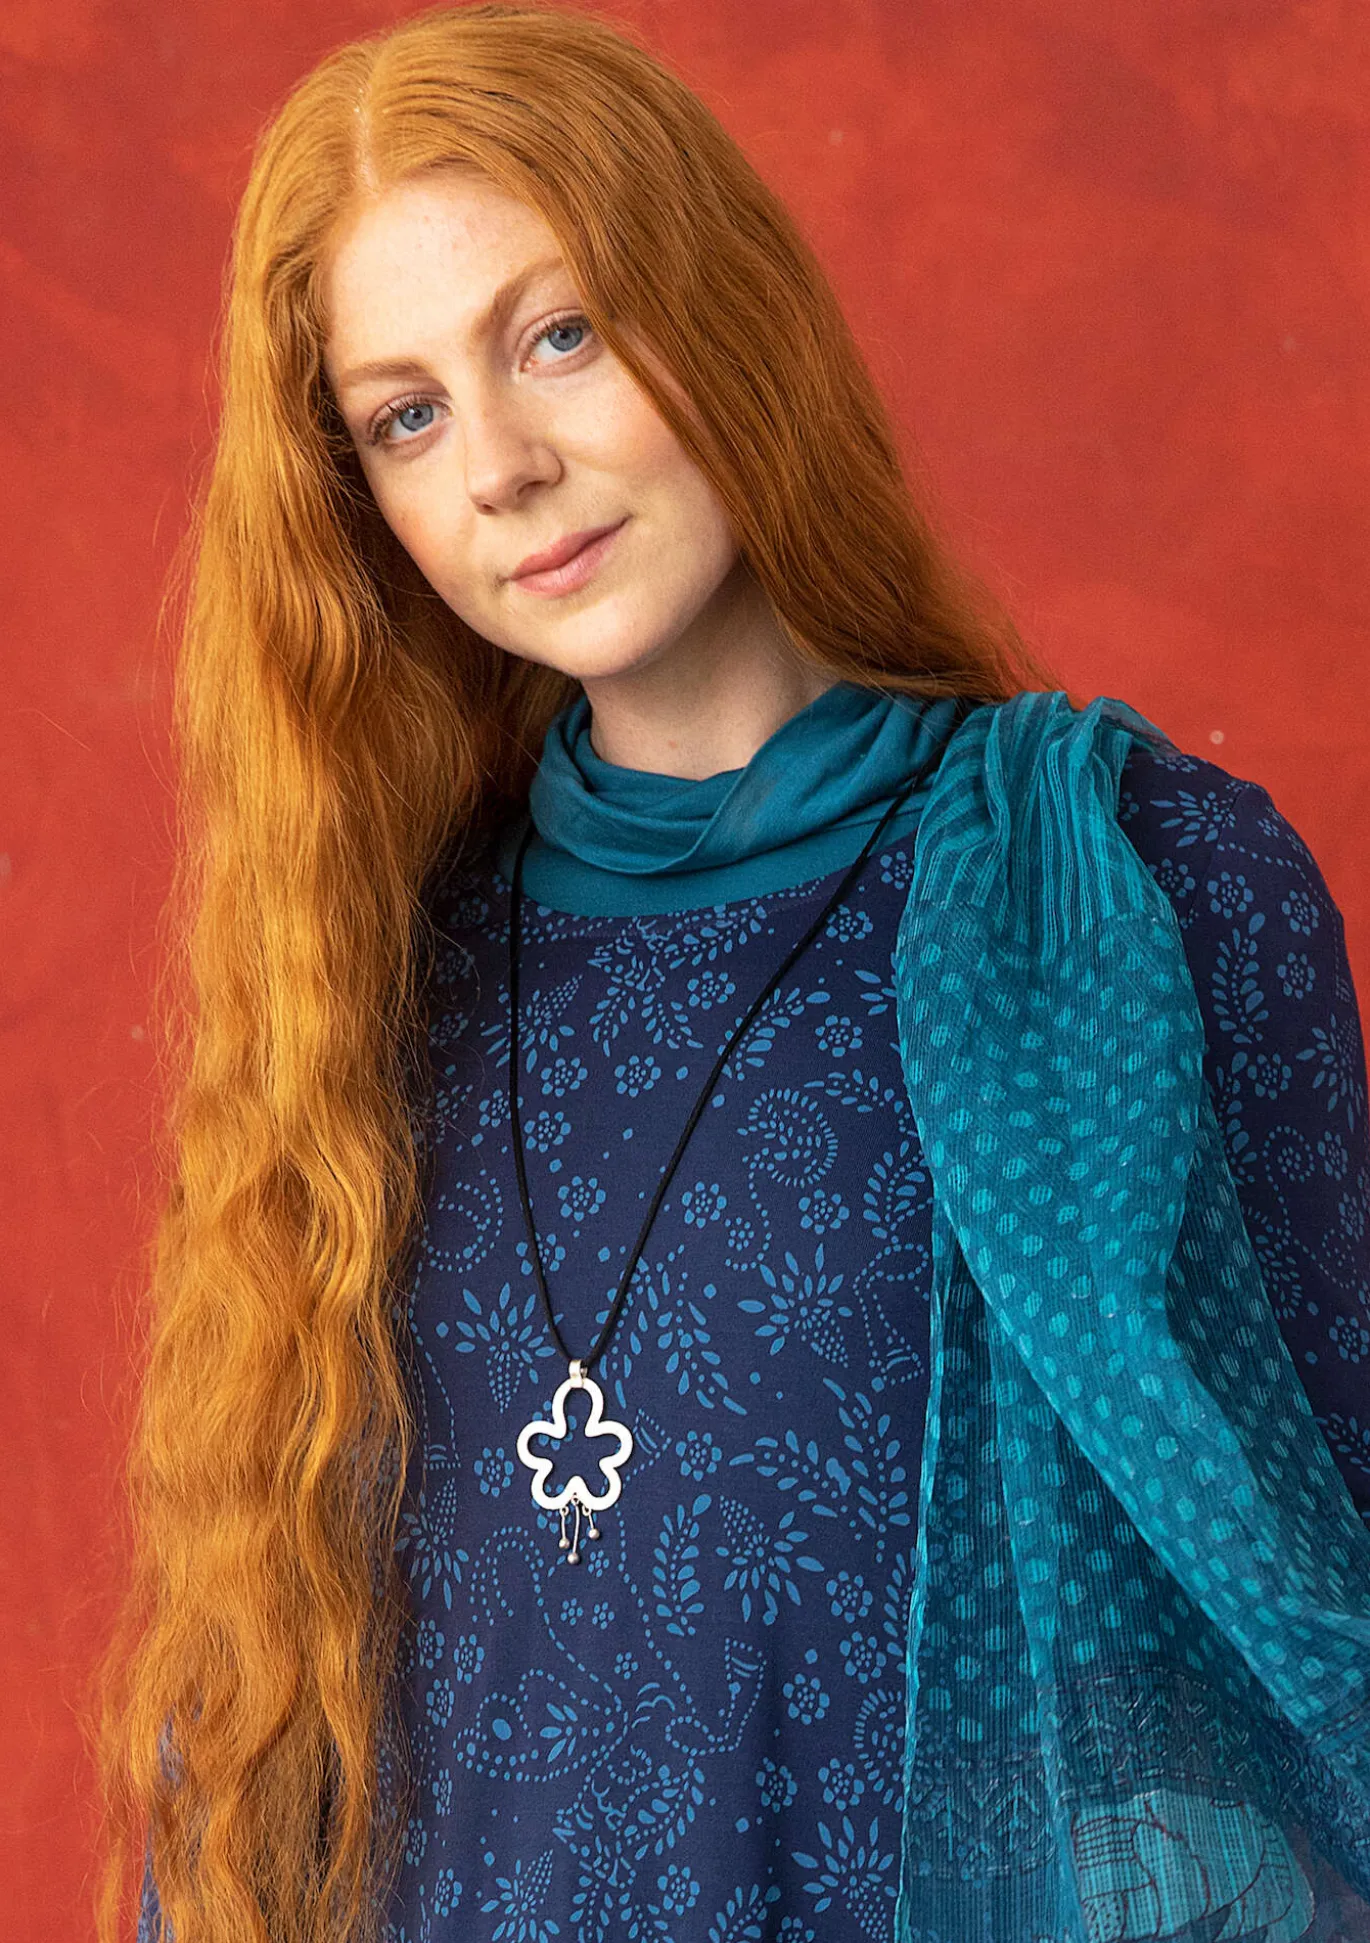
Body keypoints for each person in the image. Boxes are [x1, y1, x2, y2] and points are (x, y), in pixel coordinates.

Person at [95, 6, 1370, 1942]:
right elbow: (263, 1745)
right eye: (405, 416)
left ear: (724, 310)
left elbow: (1309, 1618)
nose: (503, 465)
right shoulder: (363, 999)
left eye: (558, 335)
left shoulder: (1124, 888)